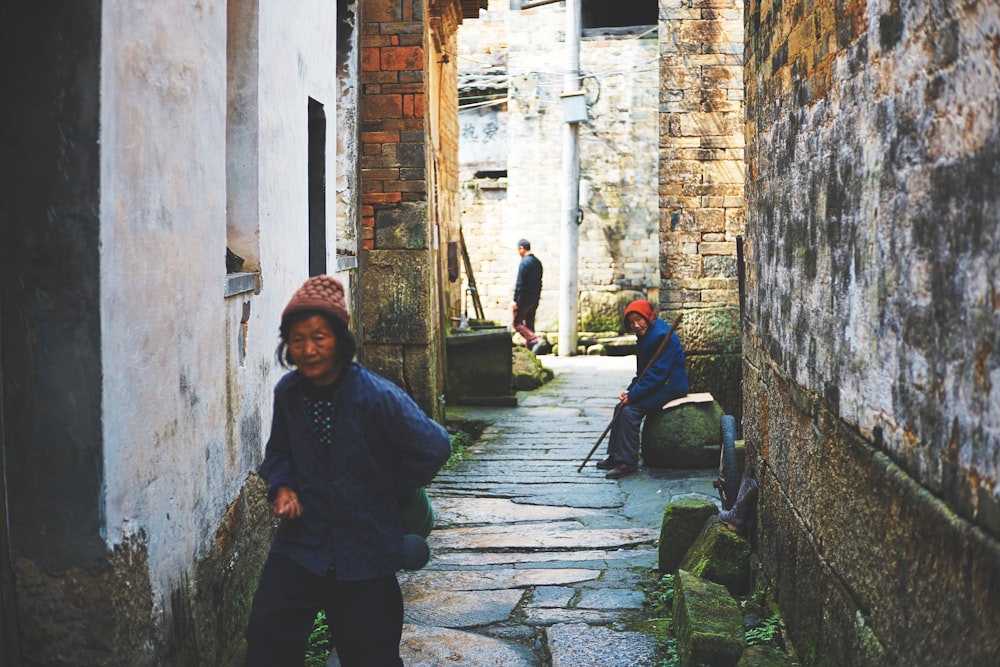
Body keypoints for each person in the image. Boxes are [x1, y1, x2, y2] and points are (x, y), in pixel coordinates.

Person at [245, 275, 451, 667]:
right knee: (268, 638)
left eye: (319, 337)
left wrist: (391, 487)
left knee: (370, 653)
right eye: (297, 338)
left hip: (366, 550)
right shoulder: (289, 393)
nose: (308, 349)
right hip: (302, 545)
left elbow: (434, 445)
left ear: (340, 338)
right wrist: (284, 486)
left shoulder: (374, 395)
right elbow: (280, 453)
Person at [597, 299, 688, 479]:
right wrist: (630, 391)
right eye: (631, 322)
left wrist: (634, 396)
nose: (636, 325)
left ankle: (626, 463)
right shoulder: (647, 334)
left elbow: (657, 374)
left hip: (669, 386)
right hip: (658, 382)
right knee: (620, 407)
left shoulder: (660, 335)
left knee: (630, 411)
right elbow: (643, 372)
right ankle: (616, 455)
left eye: (639, 319)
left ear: (648, 317)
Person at [511, 239, 543, 353]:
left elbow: (520, 283)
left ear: (521, 248)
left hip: (523, 299)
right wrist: (537, 298)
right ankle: (531, 353)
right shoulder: (537, 262)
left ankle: (535, 340)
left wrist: (515, 300)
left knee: (517, 323)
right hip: (534, 299)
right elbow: (539, 283)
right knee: (529, 325)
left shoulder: (524, 262)